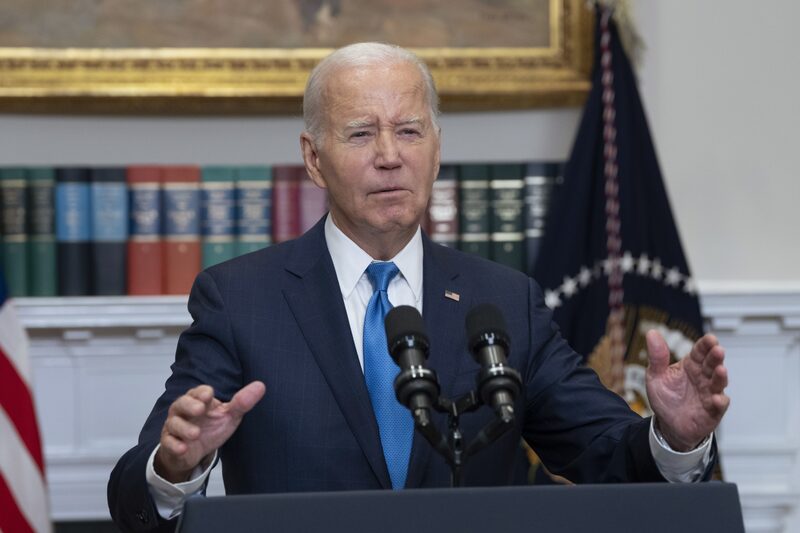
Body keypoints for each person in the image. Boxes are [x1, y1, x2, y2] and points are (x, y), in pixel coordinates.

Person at [108, 42, 729, 531]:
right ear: (314, 158)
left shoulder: (505, 301)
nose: (389, 155)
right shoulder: (241, 299)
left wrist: (675, 438)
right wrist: (176, 468)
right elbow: (135, 491)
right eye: (360, 133)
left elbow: (609, 455)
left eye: (409, 131)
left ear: (435, 149)